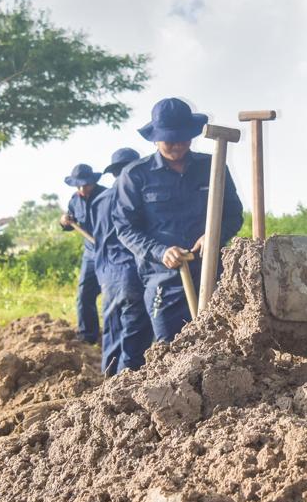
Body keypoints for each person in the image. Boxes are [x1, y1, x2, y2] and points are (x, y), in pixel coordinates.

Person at [113, 98, 244, 344]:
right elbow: (125, 228)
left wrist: (213, 235)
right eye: (169, 140)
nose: (177, 145)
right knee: (169, 348)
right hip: (163, 278)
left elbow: (234, 214)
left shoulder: (213, 166)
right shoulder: (135, 175)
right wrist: (161, 252)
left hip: (211, 272)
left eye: (183, 138)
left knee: (220, 344)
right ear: (155, 138)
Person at [92, 147, 154, 375]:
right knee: (136, 332)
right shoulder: (135, 196)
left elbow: (97, 241)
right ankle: (126, 384)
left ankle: (108, 381)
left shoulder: (98, 201)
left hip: (107, 274)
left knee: (112, 330)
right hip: (131, 272)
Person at [60, 163, 104, 345]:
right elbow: (70, 220)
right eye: (78, 185)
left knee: (115, 297)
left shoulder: (107, 196)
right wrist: (64, 221)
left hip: (111, 253)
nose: (82, 189)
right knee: (84, 295)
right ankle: (88, 336)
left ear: (93, 181)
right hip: (90, 254)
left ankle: (114, 335)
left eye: (85, 185)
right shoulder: (74, 200)